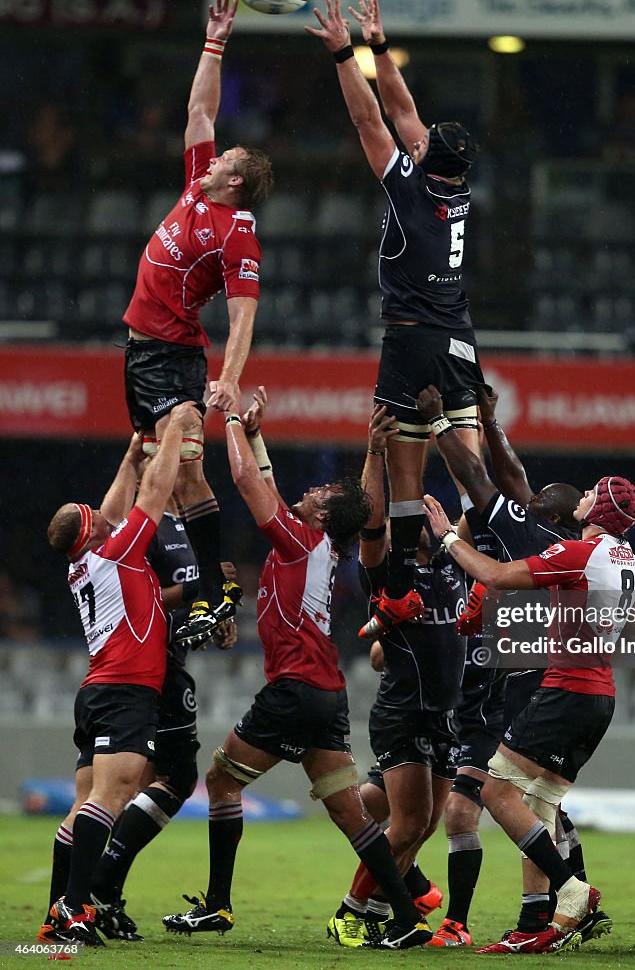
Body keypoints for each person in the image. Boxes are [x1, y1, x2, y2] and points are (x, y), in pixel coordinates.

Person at [162, 389, 433, 950]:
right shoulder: (318, 543)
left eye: (321, 492)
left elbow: (245, 482)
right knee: (349, 813)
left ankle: (218, 905)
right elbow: (295, 489)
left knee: (219, 780)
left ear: (324, 514)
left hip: (294, 689)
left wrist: (232, 419)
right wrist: (261, 434)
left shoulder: (297, 541)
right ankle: (408, 917)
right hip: (327, 694)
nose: (311, 491)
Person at [306, 0, 482, 638]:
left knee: (405, 471)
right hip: (460, 336)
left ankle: (401, 592)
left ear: (428, 155)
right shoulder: (458, 190)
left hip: (410, 339)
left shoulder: (409, 188)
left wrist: (341, 55)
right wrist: (378, 46)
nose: (421, 131)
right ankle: (481, 580)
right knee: (470, 467)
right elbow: (405, 112)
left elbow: (370, 121)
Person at [424, 474, 635, 954]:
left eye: (591, 494)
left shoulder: (581, 553)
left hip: (566, 690)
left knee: (497, 791)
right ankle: (536, 921)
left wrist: (446, 535)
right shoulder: (628, 560)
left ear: (600, 511)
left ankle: (572, 889)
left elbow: (496, 575)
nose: (582, 497)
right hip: (600, 697)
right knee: (542, 805)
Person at [122, 0, 273, 646]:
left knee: (177, 465)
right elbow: (200, 109)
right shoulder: (195, 187)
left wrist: (229, 379)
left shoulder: (236, 230)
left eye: (223, 162)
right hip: (137, 354)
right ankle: (217, 590)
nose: (211, 160)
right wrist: (215, 40)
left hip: (173, 356)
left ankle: (213, 589)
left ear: (235, 183)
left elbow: (243, 317)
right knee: (177, 474)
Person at [417, 384, 591, 949]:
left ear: (549, 514)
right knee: (530, 804)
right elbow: (513, 478)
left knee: (485, 801)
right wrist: (490, 420)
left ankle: (566, 894)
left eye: (538, 498)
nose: (527, 495)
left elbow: (485, 481)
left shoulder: (536, 536)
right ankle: (542, 915)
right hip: (508, 682)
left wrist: (443, 423)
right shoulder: (560, 544)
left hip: (521, 687)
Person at [38, 402, 201, 947]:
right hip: (124, 691)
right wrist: (173, 434)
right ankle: (74, 909)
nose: (106, 517)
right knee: (114, 793)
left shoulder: (84, 561)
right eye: (97, 519)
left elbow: (108, 511)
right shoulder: (117, 555)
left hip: (99, 689)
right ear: (94, 533)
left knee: (87, 797)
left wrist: (130, 458)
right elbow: (152, 496)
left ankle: (56, 909)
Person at [328, 407, 465, 947]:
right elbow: (371, 519)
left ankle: (384, 898)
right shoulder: (389, 570)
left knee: (423, 823)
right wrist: (376, 453)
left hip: (442, 715)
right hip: (404, 711)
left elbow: (481, 504)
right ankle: (352, 910)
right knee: (410, 823)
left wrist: (443, 434)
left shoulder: (453, 564)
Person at [88, 493, 238, 941]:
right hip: (151, 665)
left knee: (142, 781)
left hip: (169, 659)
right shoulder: (144, 524)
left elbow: (185, 600)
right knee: (172, 778)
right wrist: (201, 588)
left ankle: (99, 895)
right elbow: (139, 596)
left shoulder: (188, 522)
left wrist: (214, 614)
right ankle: (98, 890)